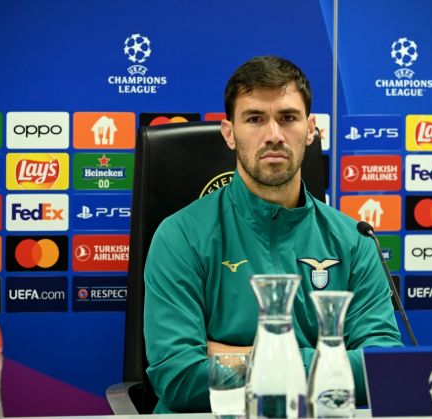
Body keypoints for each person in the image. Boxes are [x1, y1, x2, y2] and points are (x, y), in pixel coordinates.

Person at [144, 55, 402, 413]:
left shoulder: (355, 240)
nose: (274, 135)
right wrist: (329, 361)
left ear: (311, 130)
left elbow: (383, 368)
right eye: (254, 119)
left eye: (288, 117)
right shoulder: (180, 236)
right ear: (229, 133)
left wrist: (238, 356)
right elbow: (180, 378)